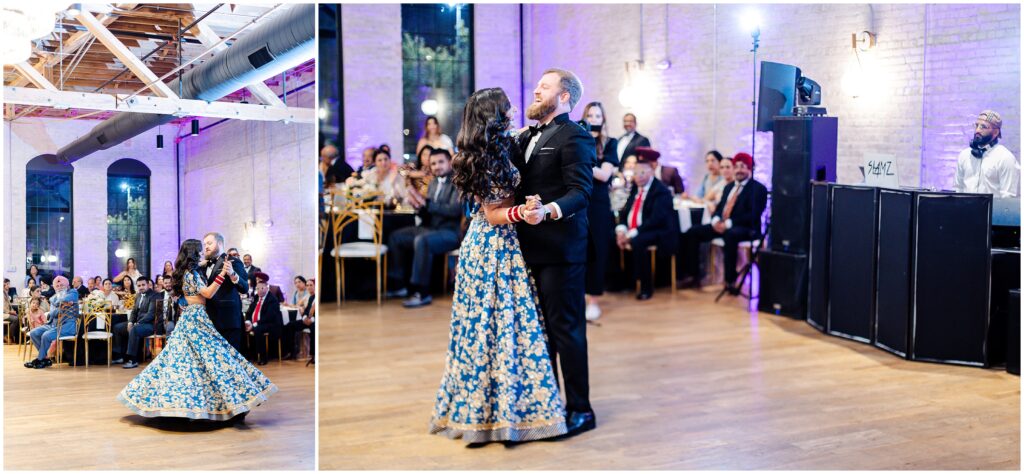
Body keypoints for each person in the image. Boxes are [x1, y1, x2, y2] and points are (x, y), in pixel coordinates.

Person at [430, 87, 568, 443]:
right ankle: (494, 416)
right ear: (495, 115)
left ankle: (501, 411)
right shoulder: (486, 155)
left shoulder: (497, 146)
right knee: (498, 326)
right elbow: (492, 213)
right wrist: (521, 212)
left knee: (502, 327)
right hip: (492, 246)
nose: (514, 110)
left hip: (492, 244)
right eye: (507, 107)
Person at [515, 68, 597, 438]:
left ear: (564, 96)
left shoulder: (575, 135)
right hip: (525, 250)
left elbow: (581, 192)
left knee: (566, 331)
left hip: (561, 250)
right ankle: (547, 405)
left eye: (544, 86)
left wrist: (547, 210)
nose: (536, 90)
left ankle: (581, 409)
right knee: (538, 333)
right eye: (537, 85)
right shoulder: (524, 136)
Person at [118, 239, 275, 421]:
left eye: (207, 245)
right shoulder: (191, 273)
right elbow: (207, 294)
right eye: (200, 249)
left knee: (193, 363)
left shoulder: (191, 270)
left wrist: (225, 269)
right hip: (197, 318)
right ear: (194, 253)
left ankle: (215, 404)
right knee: (213, 360)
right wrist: (221, 274)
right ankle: (228, 401)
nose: (203, 252)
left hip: (201, 317)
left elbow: (229, 284)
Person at [680, 152, 768, 295]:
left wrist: (728, 224)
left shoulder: (758, 189)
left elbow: (753, 214)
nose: (739, 170)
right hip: (723, 225)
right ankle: (693, 275)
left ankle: (730, 281)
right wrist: (715, 220)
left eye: (743, 167)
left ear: (750, 169)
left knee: (730, 235)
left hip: (747, 229)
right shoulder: (729, 187)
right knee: (693, 231)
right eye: (736, 166)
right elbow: (720, 208)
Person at [387, 148, 463, 308]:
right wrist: (419, 207)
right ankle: (399, 285)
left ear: (449, 162)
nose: (437, 166)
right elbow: (429, 211)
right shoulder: (433, 182)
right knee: (396, 237)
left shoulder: (458, 182)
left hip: (450, 233)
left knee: (423, 241)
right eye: (434, 163)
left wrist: (427, 204)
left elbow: (454, 211)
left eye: (441, 162)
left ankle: (422, 293)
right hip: (432, 228)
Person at [614, 148, 678, 300]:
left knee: (639, 241)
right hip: (636, 229)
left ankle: (645, 286)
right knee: (609, 235)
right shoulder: (636, 188)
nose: (638, 177)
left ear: (650, 173)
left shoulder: (661, 191)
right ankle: (620, 281)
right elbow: (625, 212)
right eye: (635, 173)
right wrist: (621, 230)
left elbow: (656, 220)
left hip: (658, 231)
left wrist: (631, 233)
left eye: (642, 173)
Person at [579, 101, 619, 321]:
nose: (594, 119)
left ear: (603, 119)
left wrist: (581, 162)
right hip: (578, 200)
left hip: (599, 203)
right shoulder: (578, 139)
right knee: (578, 248)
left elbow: (604, 175)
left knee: (597, 249)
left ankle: (593, 299)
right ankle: (578, 297)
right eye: (590, 115)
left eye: (597, 116)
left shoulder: (610, 144)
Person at [199, 232, 249, 352]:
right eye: (205, 244)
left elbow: (244, 288)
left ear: (220, 243)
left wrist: (232, 274)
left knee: (230, 361)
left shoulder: (233, 262)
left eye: (210, 243)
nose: (206, 247)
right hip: (208, 320)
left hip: (227, 320)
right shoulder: (203, 266)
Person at [955, 110, 1019, 197]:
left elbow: (1008, 198)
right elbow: (958, 189)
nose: (977, 130)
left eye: (983, 127)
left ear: (996, 132)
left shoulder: (1005, 158)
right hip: (966, 210)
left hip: (992, 210)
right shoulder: (964, 155)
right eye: (976, 125)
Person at [25, 276, 78, 369]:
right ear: (54, 287)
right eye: (57, 286)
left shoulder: (73, 292)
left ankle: (40, 359)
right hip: (53, 324)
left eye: (62, 285)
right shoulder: (53, 298)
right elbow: (52, 313)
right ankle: (45, 359)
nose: (60, 287)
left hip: (67, 326)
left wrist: (60, 302)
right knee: (34, 333)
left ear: (67, 285)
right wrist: (61, 307)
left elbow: (71, 297)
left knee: (46, 335)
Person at [112, 277, 157, 368]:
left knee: (134, 330)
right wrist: (130, 322)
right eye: (139, 285)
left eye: (143, 285)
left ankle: (133, 360)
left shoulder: (154, 295)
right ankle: (120, 356)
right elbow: (134, 311)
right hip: (138, 323)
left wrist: (137, 323)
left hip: (149, 325)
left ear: (148, 284)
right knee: (117, 328)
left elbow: (151, 314)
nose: (141, 287)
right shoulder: (138, 295)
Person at [244, 273, 283, 366]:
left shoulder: (272, 299)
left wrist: (254, 325)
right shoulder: (256, 297)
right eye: (257, 288)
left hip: (270, 324)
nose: (259, 290)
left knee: (258, 329)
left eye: (262, 288)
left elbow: (269, 317)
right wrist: (248, 321)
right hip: (257, 323)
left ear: (267, 288)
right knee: (242, 326)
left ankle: (263, 357)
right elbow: (249, 311)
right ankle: (248, 355)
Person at [403, 145, 436, 209]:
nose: (427, 158)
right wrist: (412, 174)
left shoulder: (436, 172)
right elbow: (401, 170)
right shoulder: (414, 168)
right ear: (420, 156)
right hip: (412, 203)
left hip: (429, 203)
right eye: (424, 155)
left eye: (429, 155)